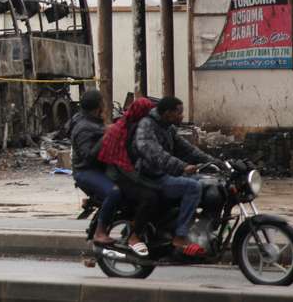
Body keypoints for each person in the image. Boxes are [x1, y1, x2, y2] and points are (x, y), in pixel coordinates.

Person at [132, 96, 218, 256]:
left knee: (212, 183)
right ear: (167, 113)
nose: (182, 116)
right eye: (178, 113)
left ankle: (203, 228)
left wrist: (215, 162)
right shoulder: (146, 125)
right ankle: (180, 236)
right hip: (152, 177)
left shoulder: (167, 127)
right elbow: (155, 153)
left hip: (166, 174)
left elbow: (188, 149)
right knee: (193, 187)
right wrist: (182, 166)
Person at [97, 97, 159, 257]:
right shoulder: (121, 129)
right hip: (118, 175)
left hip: (129, 171)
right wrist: (139, 180)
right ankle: (133, 236)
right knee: (150, 197)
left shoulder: (137, 126)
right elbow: (119, 161)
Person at [70, 89, 120, 245]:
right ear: (99, 105)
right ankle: (100, 232)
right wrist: (106, 136)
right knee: (114, 192)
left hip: (99, 169)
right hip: (86, 171)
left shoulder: (93, 122)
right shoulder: (83, 127)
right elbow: (88, 156)